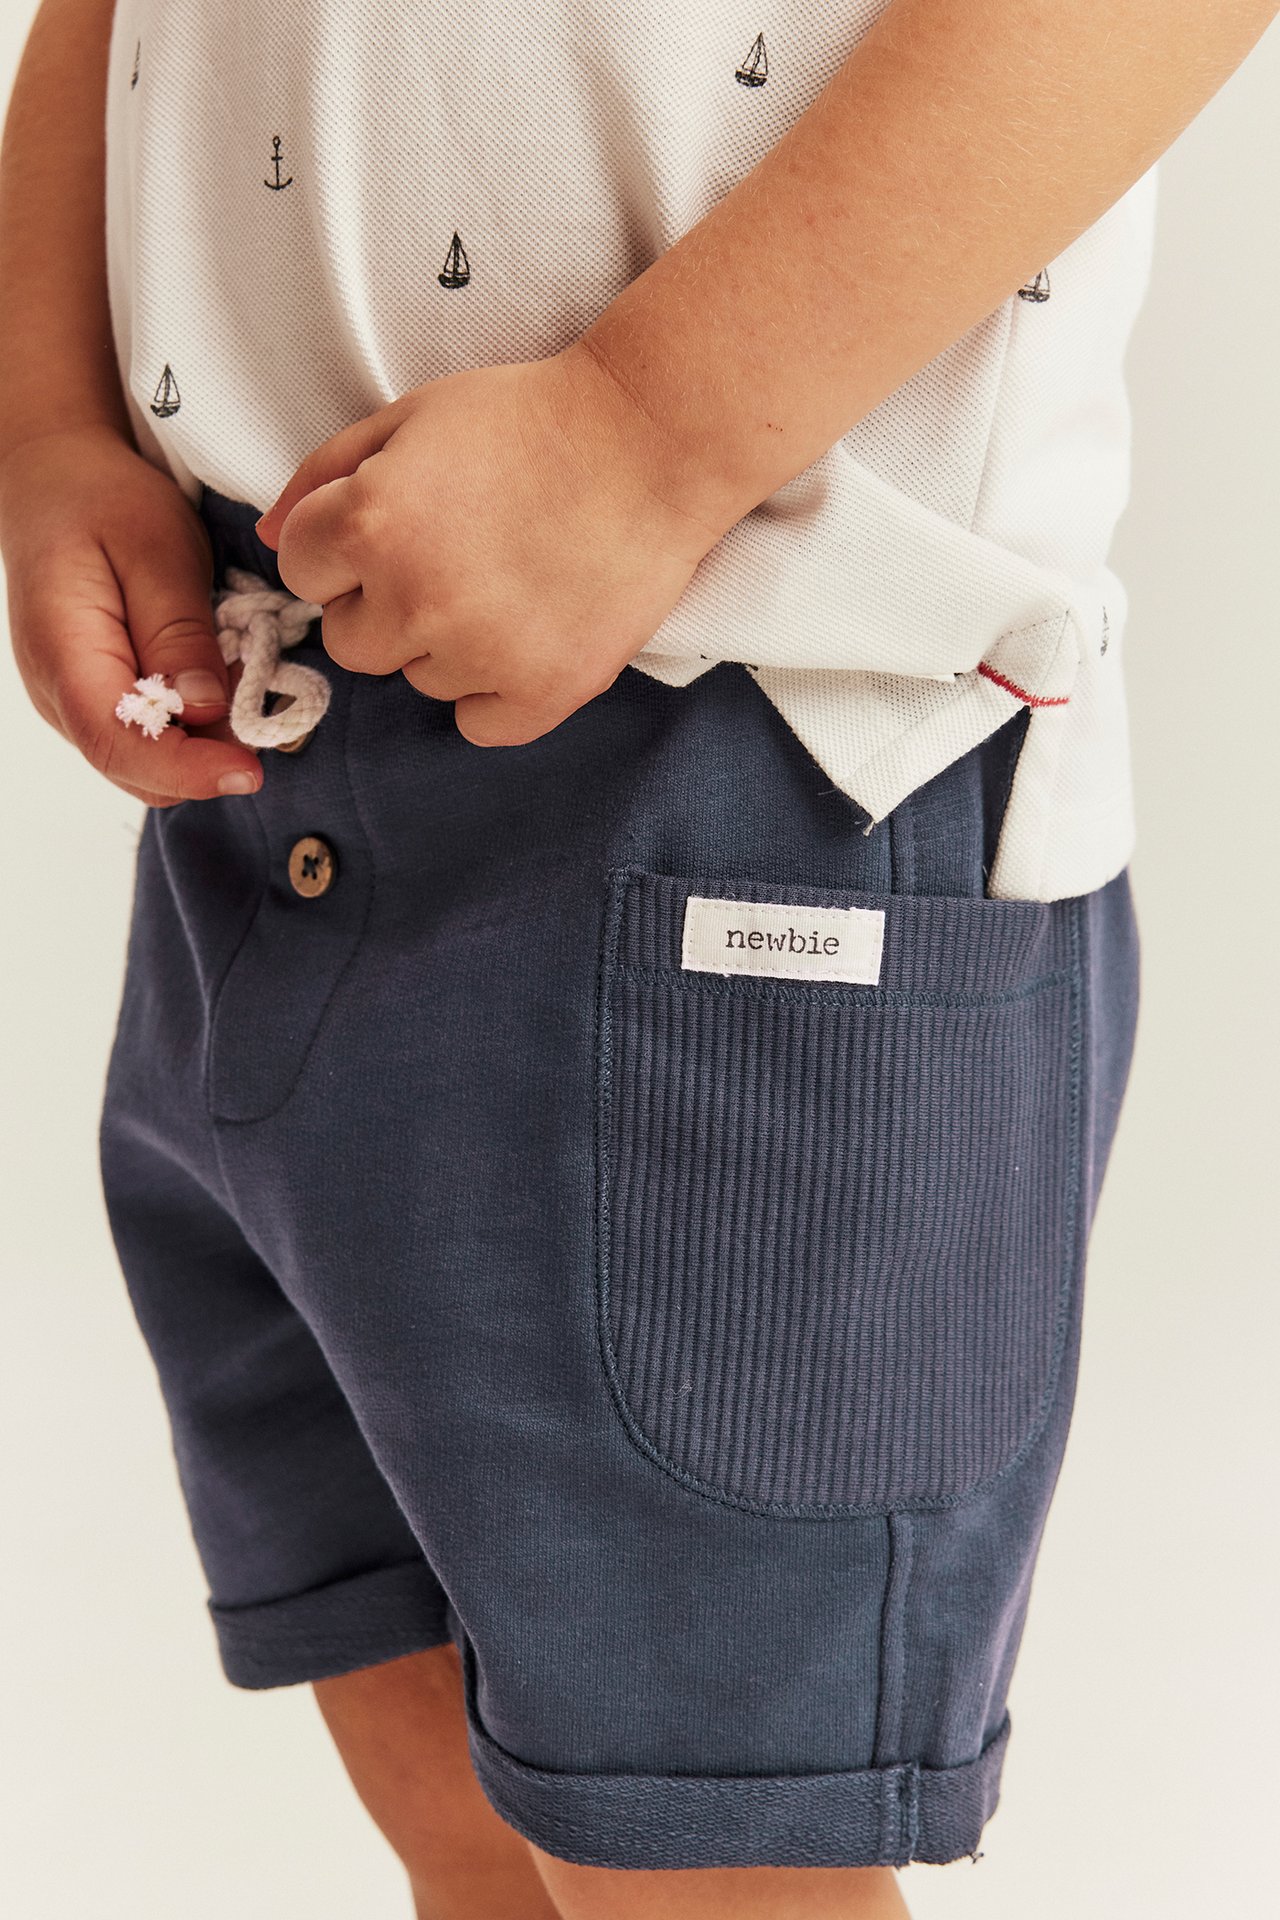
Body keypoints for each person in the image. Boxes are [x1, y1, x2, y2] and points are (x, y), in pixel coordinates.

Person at [1, 2, 1274, 1915]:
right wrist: (48, 409)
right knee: (452, 1797)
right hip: (271, 713)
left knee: (706, 1873)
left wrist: (646, 428)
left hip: (773, 745)